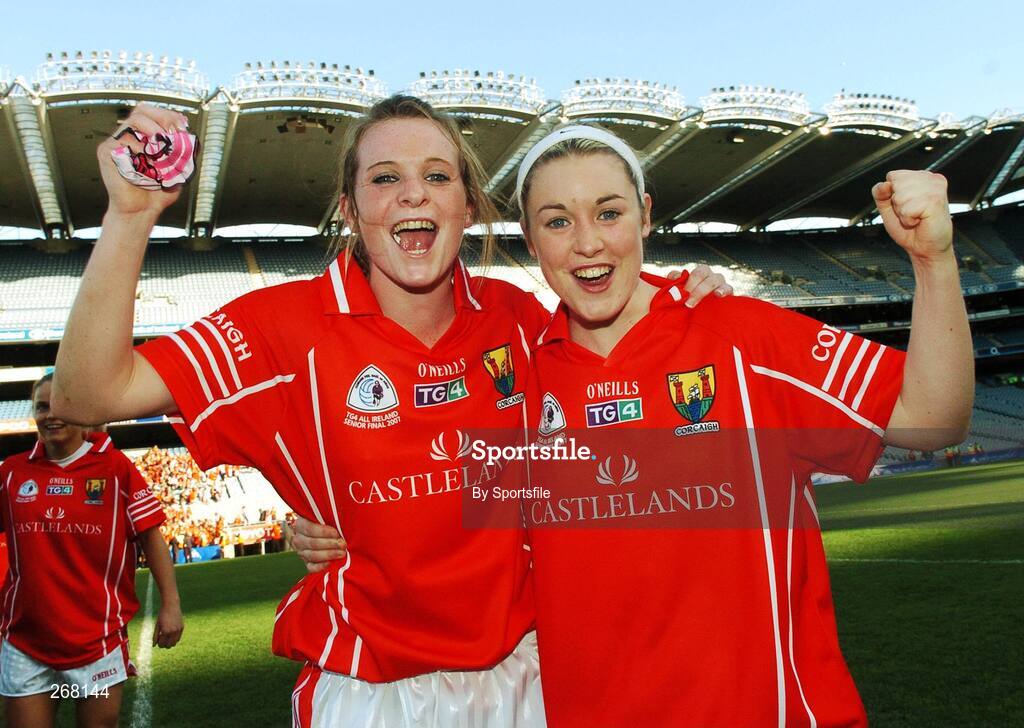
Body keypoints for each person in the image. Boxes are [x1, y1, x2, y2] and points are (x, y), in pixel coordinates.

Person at [50, 96, 731, 728]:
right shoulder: (281, 328)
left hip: (533, 675)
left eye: (438, 176)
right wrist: (130, 217)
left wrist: (699, 298)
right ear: (348, 208)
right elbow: (88, 395)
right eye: (384, 178)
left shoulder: (521, 321)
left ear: (468, 207)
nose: (413, 193)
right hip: (371, 691)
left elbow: (629, 413)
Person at [509, 126, 970, 727]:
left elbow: (936, 420)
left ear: (645, 216)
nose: (587, 243)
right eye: (557, 221)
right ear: (530, 238)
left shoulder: (742, 337)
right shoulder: (518, 381)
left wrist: (932, 260)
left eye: (608, 212)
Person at [0, 373, 184, 728]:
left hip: (96, 646)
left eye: (59, 406)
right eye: (41, 407)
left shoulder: (116, 470)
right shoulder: (11, 473)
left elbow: (151, 537)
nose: (50, 415)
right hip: (26, 644)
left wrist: (171, 605)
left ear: (79, 410)